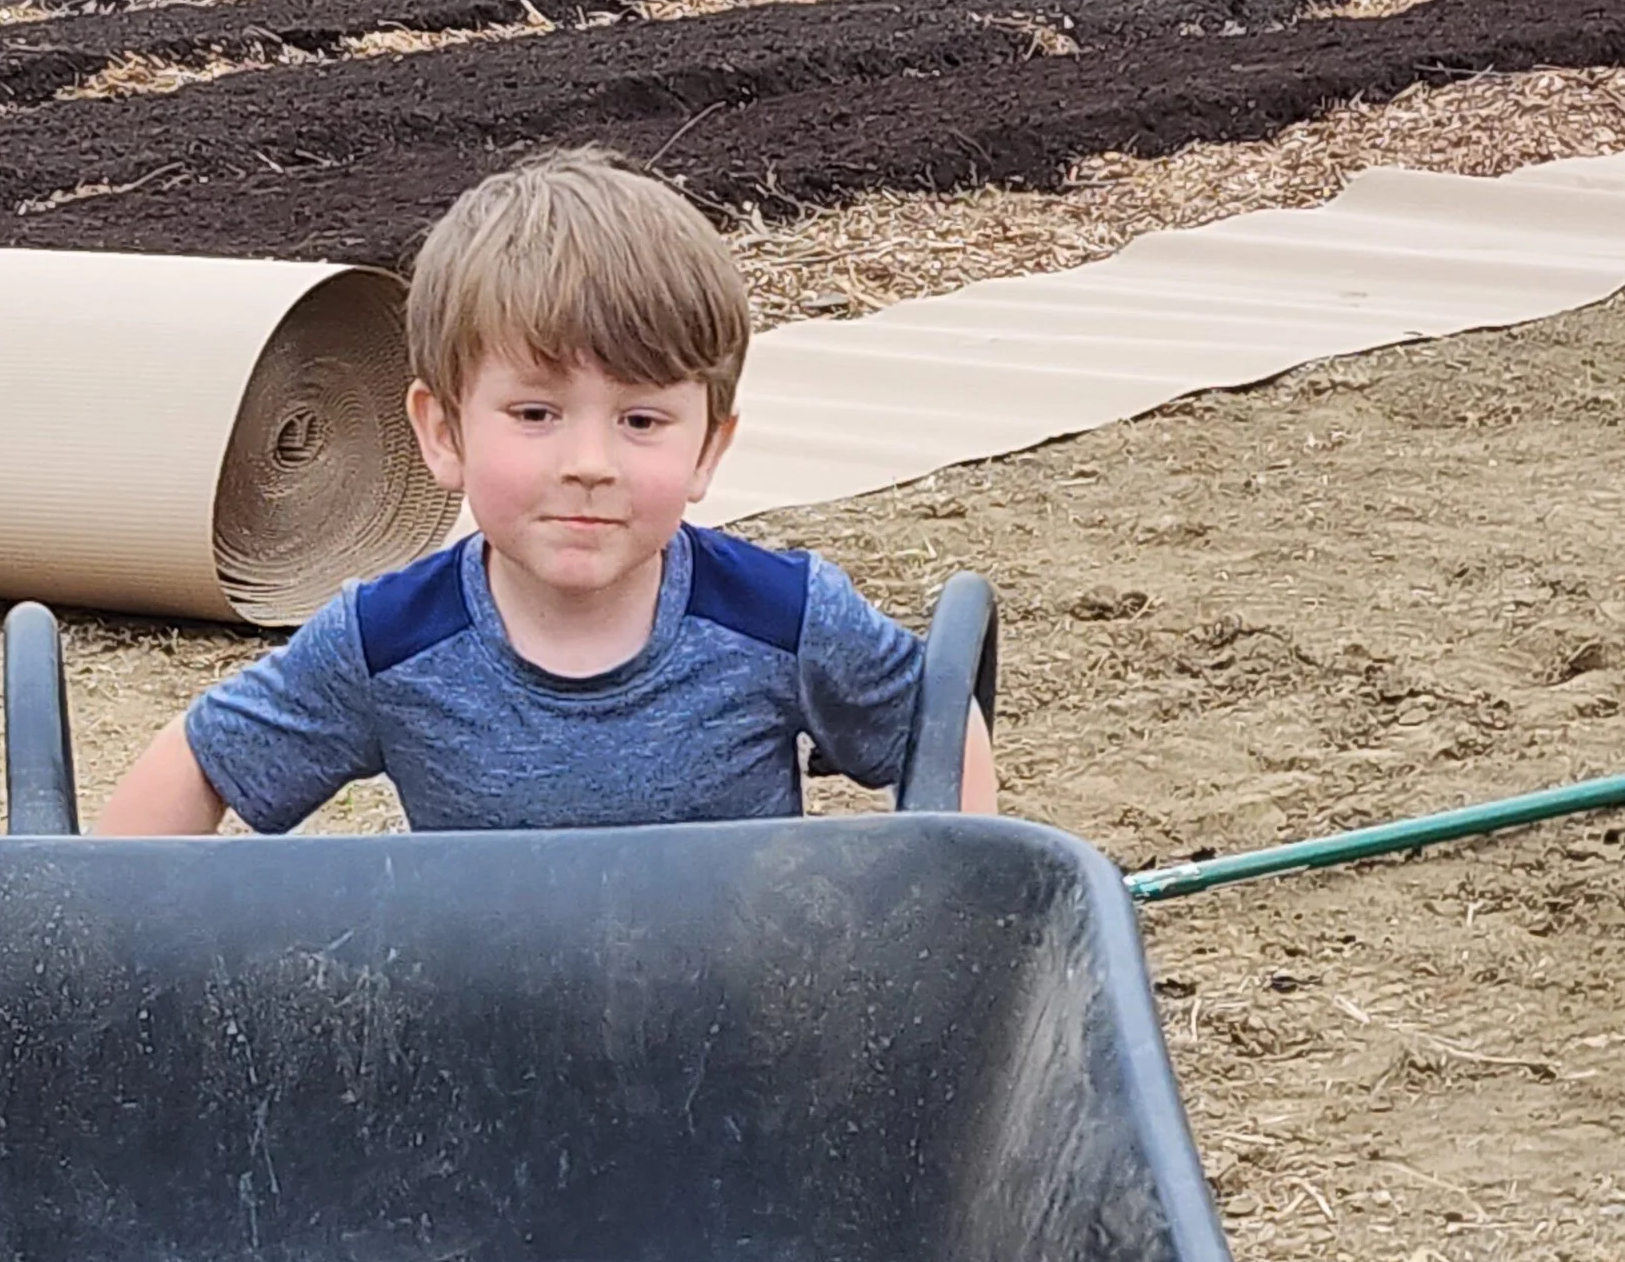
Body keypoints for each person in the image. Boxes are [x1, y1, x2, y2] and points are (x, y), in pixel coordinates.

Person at [97, 146, 996, 837]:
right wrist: (85, 932)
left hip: (732, 1050)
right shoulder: (388, 642)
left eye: (642, 421)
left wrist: (951, 920)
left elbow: (940, 725)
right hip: (488, 1054)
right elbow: (203, 761)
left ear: (708, 449)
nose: (590, 461)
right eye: (535, 413)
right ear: (443, 433)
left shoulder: (783, 617)